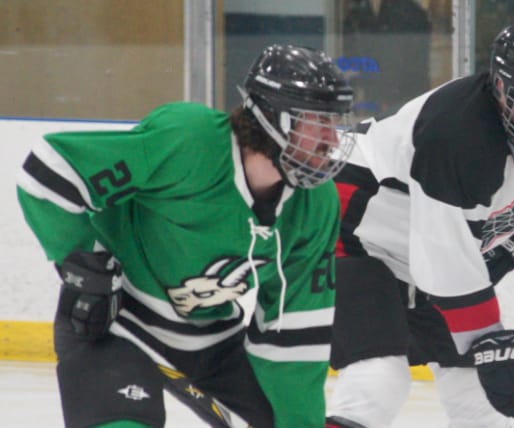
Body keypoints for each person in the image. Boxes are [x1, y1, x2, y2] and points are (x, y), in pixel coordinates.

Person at [16, 44, 355, 427]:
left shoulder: (316, 204)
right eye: (317, 121)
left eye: (333, 122)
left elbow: (294, 333)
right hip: (115, 323)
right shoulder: (188, 141)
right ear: (273, 118)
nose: (332, 139)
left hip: (210, 341)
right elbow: (49, 171)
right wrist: (86, 263)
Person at [326, 22, 514, 428]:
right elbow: (444, 257)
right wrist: (489, 342)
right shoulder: (456, 131)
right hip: (357, 229)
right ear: (503, 91)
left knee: (479, 398)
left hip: (424, 251)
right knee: (378, 378)